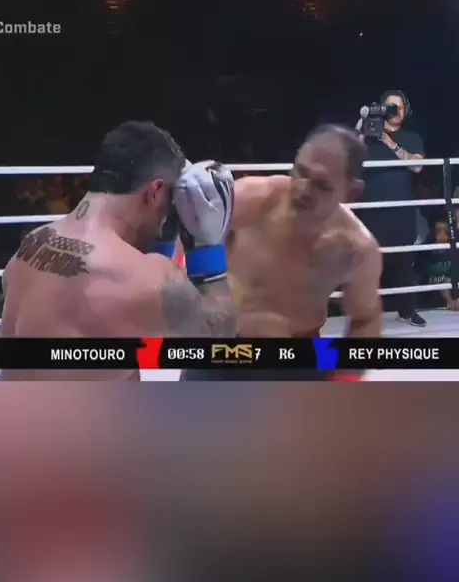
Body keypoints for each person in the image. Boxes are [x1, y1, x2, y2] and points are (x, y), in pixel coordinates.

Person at [0, 121, 236, 380]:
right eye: (170, 201)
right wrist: (207, 246)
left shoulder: (33, 245)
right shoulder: (147, 277)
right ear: (155, 192)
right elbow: (219, 339)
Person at [182, 124, 383, 380]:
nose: (303, 188)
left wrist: (345, 379)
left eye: (321, 185)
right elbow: (188, 238)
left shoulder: (357, 249)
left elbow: (365, 319)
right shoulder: (253, 199)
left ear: (351, 192)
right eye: (301, 171)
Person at [355, 90, 426, 326]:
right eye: (390, 106)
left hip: (401, 209)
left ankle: (406, 310)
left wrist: (388, 141)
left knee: (404, 263)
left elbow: (417, 166)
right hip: (370, 209)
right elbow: (349, 157)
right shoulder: (367, 135)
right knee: (368, 264)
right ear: (382, 109)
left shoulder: (411, 137)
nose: (396, 111)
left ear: (406, 110)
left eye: (400, 106)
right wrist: (360, 129)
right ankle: (364, 315)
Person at [414, 219, 459, 311]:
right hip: (425, 300)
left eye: (445, 231)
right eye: (439, 231)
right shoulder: (423, 253)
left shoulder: (455, 251)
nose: (442, 235)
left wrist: (452, 300)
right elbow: (416, 280)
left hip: (445, 298)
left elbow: (449, 279)